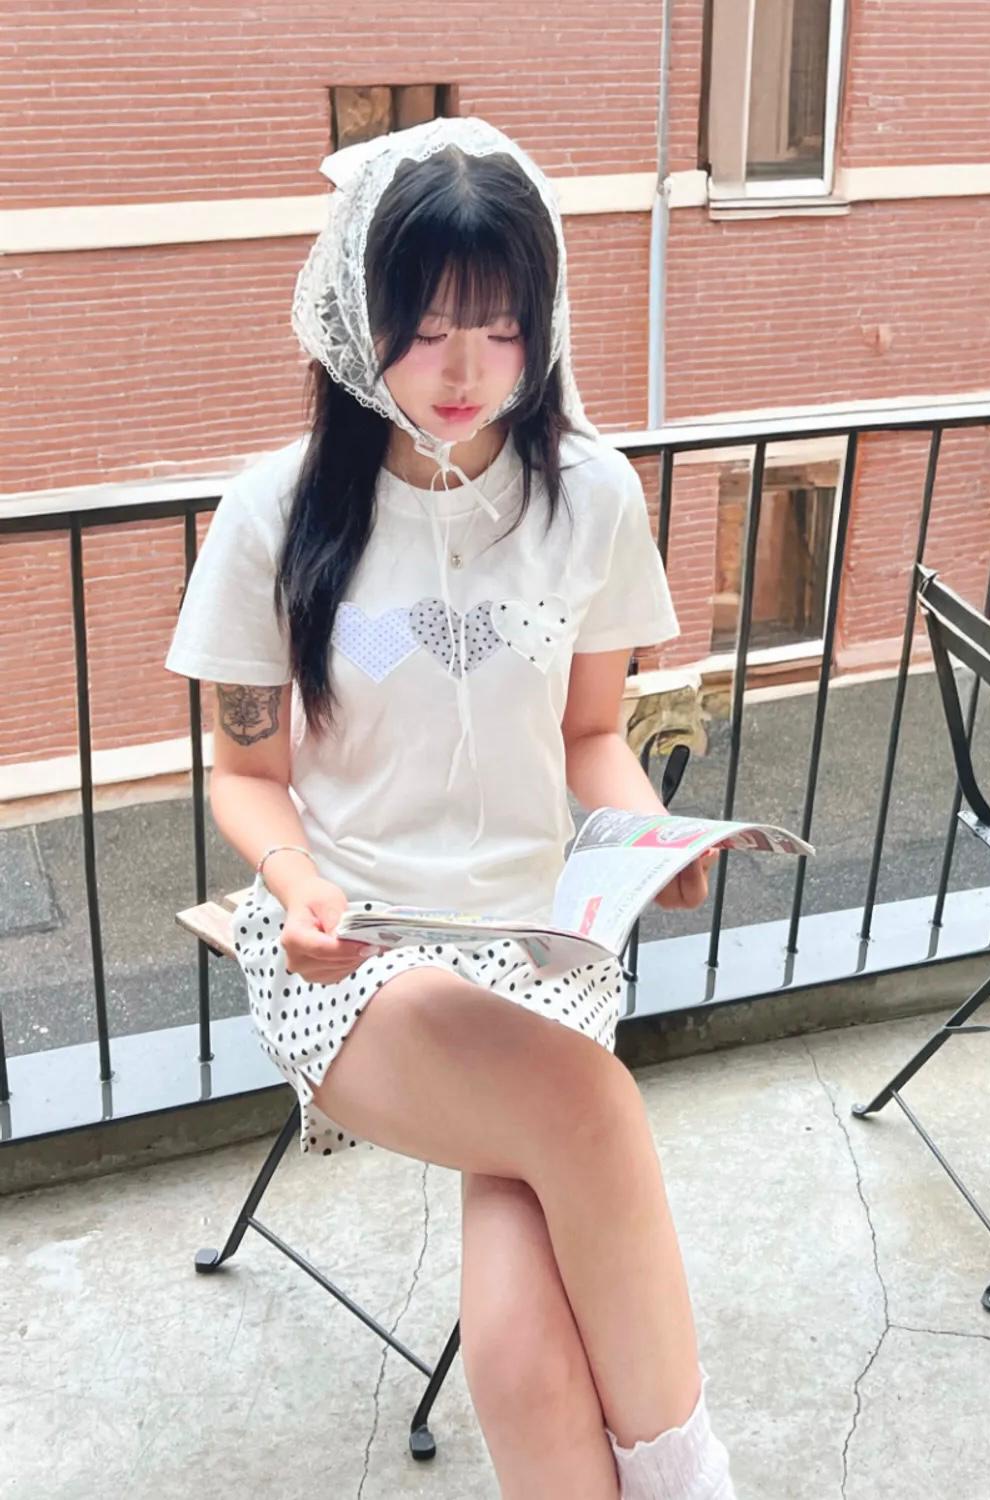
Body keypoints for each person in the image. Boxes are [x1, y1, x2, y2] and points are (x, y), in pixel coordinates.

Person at [166, 116, 735, 1498]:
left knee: (525, 1356)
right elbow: (246, 775)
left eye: (500, 328)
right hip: (354, 955)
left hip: (539, 955)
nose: (467, 370)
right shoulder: (275, 517)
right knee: (589, 1114)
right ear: (359, 325)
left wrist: (645, 836)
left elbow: (590, 735)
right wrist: (298, 885)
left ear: (544, 322)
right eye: (425, 331)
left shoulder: (589, 498)